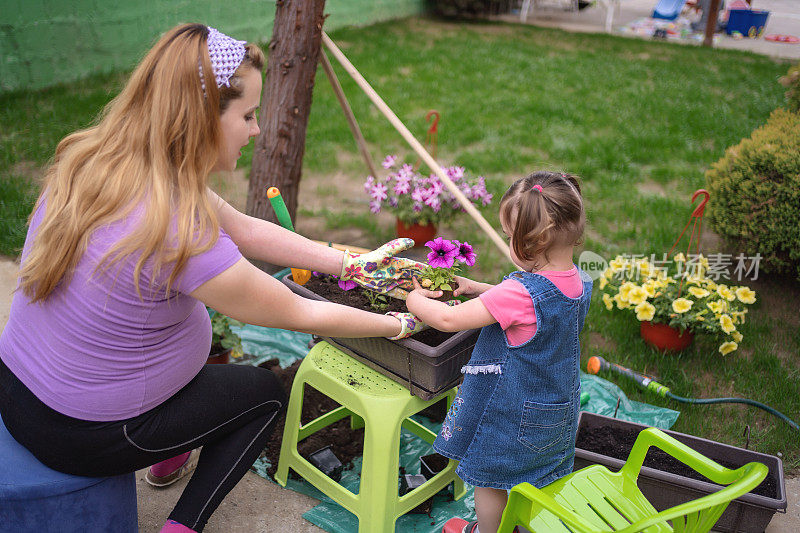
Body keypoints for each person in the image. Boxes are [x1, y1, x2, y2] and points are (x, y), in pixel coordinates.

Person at [0, 24, 422, 533]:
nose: (257, 130)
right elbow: (299, 311)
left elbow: (245, 229)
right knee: (266, 396)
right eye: (246, 115)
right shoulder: (177, 228)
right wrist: (396, 325)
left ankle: (168, 457)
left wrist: (352, 265)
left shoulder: (101, 161)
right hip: (83, 435)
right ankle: (183, 525)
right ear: (201, 119)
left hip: (19, 392)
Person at [405, 171, 593, 533]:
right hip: (554, 410)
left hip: (512, 414)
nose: (508, 242)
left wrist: (415, 301)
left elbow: (447, 318)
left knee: (490, 480)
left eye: (510, 237)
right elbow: (535, 300)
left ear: (530, 243)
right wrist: (478, 287)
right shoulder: (578, 280)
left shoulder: (518, 295)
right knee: (531, 475)